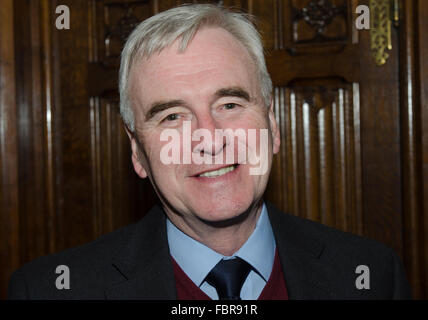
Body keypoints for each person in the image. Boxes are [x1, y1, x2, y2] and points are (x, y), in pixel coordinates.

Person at [8, 4, 411, 300]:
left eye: (230, 105)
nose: (208, 138)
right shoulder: (50, 291)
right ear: (137, 152)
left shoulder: (372, 276)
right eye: (172, 117)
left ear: (272, 125)